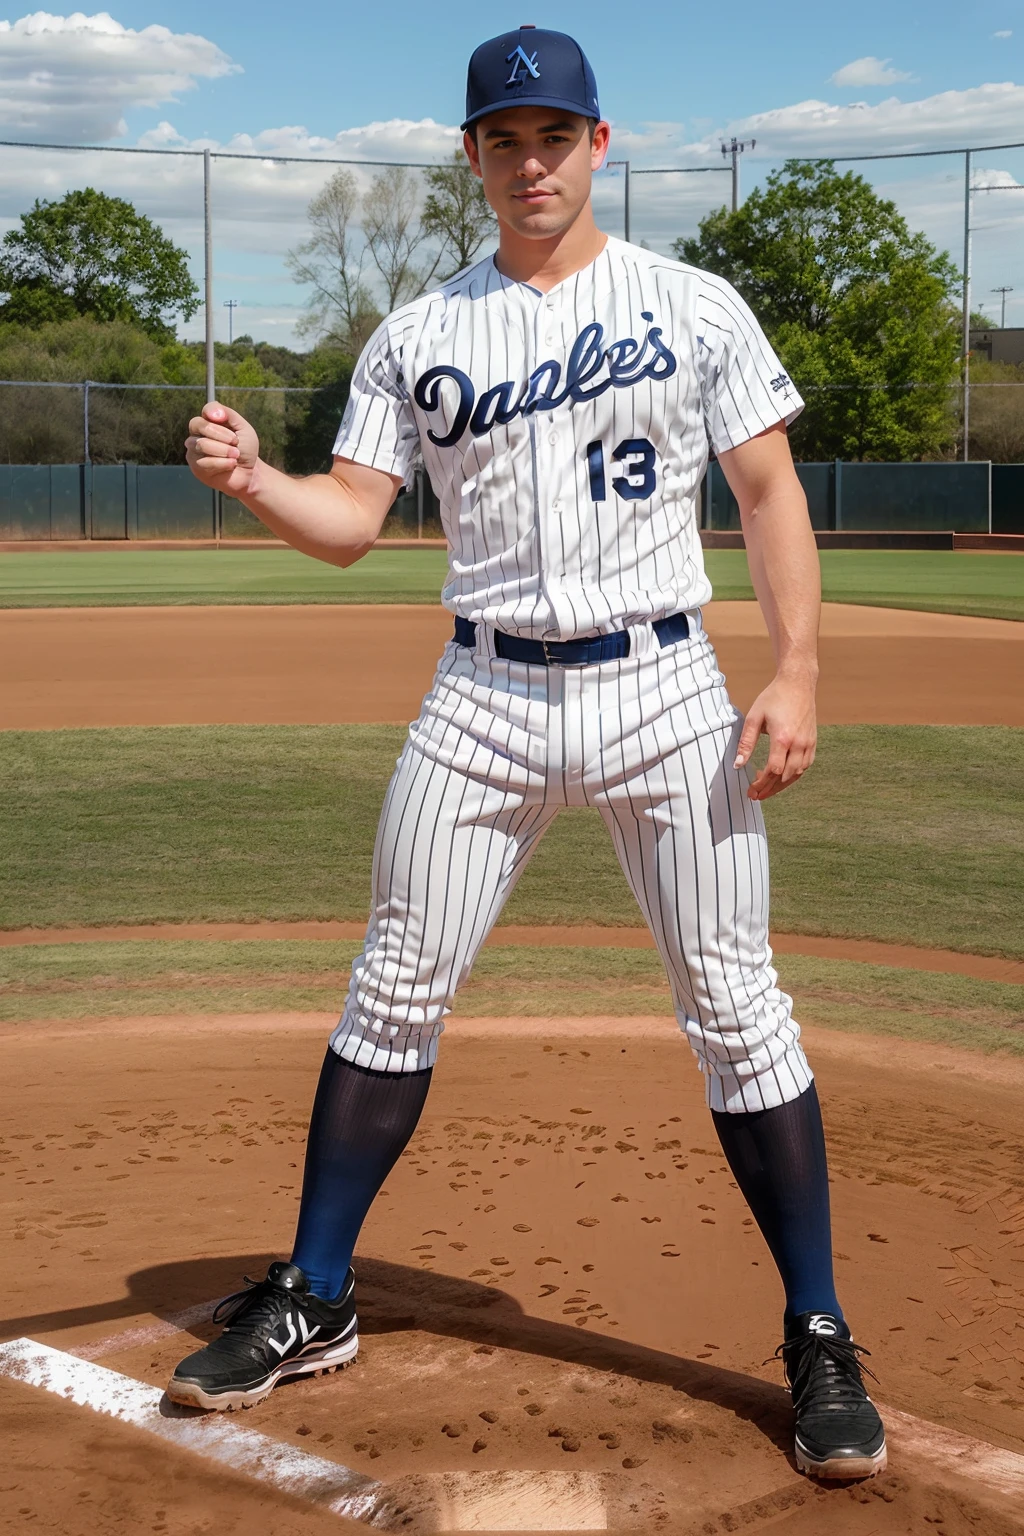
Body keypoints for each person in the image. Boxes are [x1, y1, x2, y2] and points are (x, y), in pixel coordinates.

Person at [171, 26, 885, 1481]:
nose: (531, 159)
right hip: (483, 697)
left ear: (599, 147)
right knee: (392, 986)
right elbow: (355, 522)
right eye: (504, 138)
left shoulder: (692, 306)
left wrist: (797, 668)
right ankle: (315, 1292)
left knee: (739, 1009)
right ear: (473, 157)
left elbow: (766, 492)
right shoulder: (419, 334)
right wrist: (255, 483)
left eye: (555, 135)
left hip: (664, 687)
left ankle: (818, 1332)